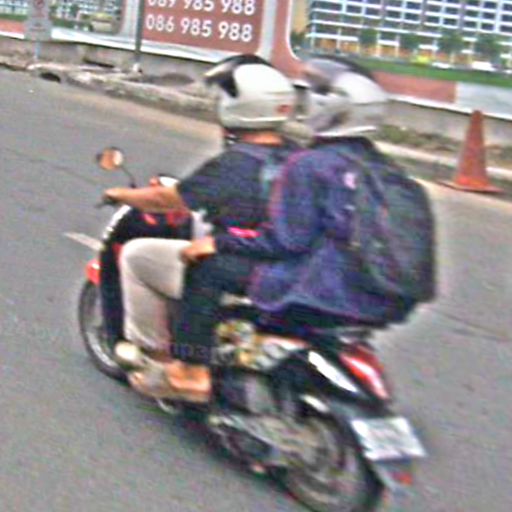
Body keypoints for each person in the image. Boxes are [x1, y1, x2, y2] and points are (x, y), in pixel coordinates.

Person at [135, 55, 424, 402]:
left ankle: (190, 371)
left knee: (207, 267)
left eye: (319, 94)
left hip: (325, 290)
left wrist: (219, 243)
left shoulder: (310, 164)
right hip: (387, 298)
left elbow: (285, 240)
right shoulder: (388, 172)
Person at [103, 54, 298, 402]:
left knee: (136, 256)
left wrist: (121, 194)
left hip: (245, 269)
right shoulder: (301, 157)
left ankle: (159, 360)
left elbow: (167, 200)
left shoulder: (234, 163)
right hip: (294, 269)